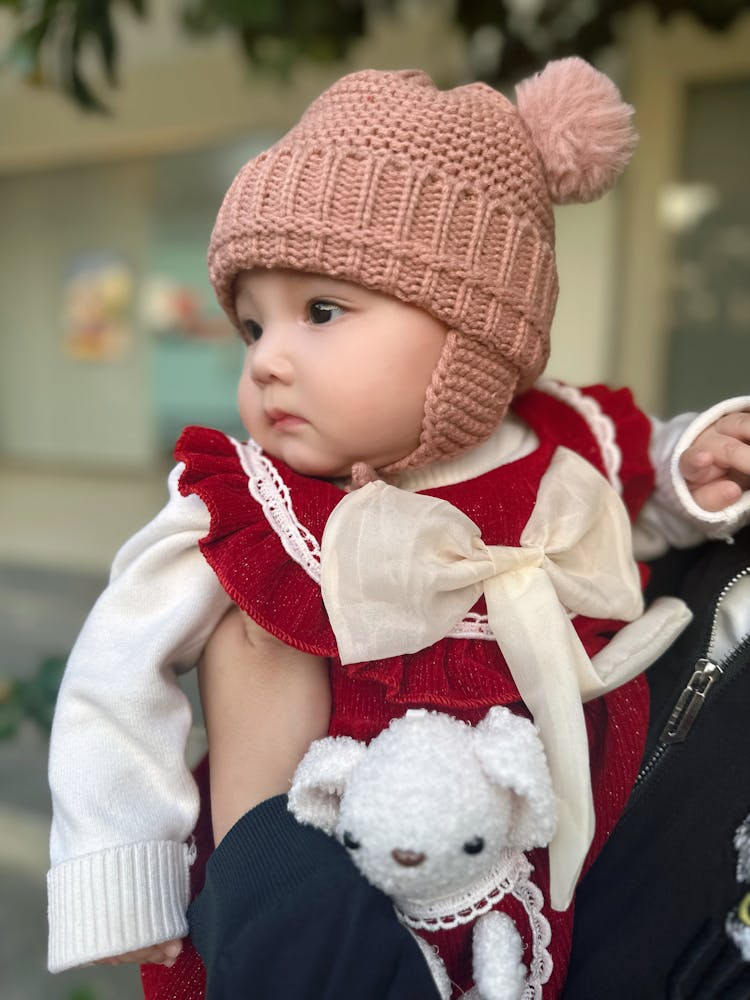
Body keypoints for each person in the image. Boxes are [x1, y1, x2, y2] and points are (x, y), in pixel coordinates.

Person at [46, 59, 750, 998]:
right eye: (253, 327)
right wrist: (122, 869)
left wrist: (685, 472)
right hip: (313, 885)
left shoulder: (564, 442)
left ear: (477, 331)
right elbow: (115, 674)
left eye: (322, 311)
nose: (269, 363)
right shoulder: (255, 500)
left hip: (529, 869)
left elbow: (631, 501)